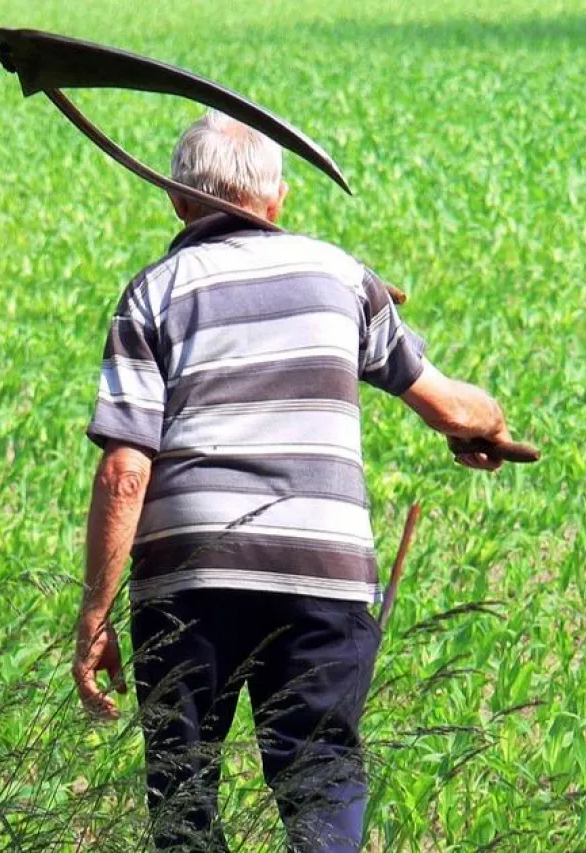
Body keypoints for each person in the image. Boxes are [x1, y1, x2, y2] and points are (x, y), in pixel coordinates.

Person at [73, 111, 516, 851]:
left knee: (183, 793)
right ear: (277, 201)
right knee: (318, 774)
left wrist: (95, 612)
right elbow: (448, 405)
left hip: (189, 580)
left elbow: (125, 471)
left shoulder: (152, 293)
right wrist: (489, 425)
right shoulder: (342, 275)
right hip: (322, 575)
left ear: (179, 203)